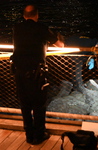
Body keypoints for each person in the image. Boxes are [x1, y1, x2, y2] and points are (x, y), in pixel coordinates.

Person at [11, 5, 64, 145]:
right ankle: (39, 135)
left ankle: (29, 135)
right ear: (37, 15)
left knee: (25, 105)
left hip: (19, 72)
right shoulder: (41, 28)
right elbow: (60, 45)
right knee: (39, 105)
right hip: (36, 73)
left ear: (24, 16)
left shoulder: (17, 28)